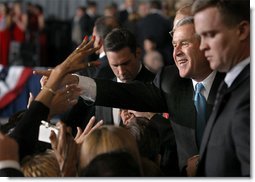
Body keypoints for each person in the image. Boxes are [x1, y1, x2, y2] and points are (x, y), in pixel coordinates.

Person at [35, 8, 225, 176]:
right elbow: (122, 93)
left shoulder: (235, 83)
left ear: (205, 44)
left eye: (184, 43)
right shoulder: (170, 78)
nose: (176, 52)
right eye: (174, 45)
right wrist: (74, 80)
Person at [192, 0, 250, 176]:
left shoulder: (248, 97)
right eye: (200, 37)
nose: (202, 46)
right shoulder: (231, 83)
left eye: (210, 34)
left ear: (242, 31)